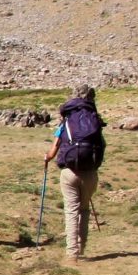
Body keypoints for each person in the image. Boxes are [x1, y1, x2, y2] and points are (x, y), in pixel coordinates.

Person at [45, 84, 106, 260]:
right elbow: (102, 145)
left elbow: (53, 150)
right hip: (90, 173)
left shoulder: (67, 120)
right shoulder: (94, 120)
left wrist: (47, 158)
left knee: (71, 211)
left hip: (69, 171)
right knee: (84, 209)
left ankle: (72, 253)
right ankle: (82, 247)